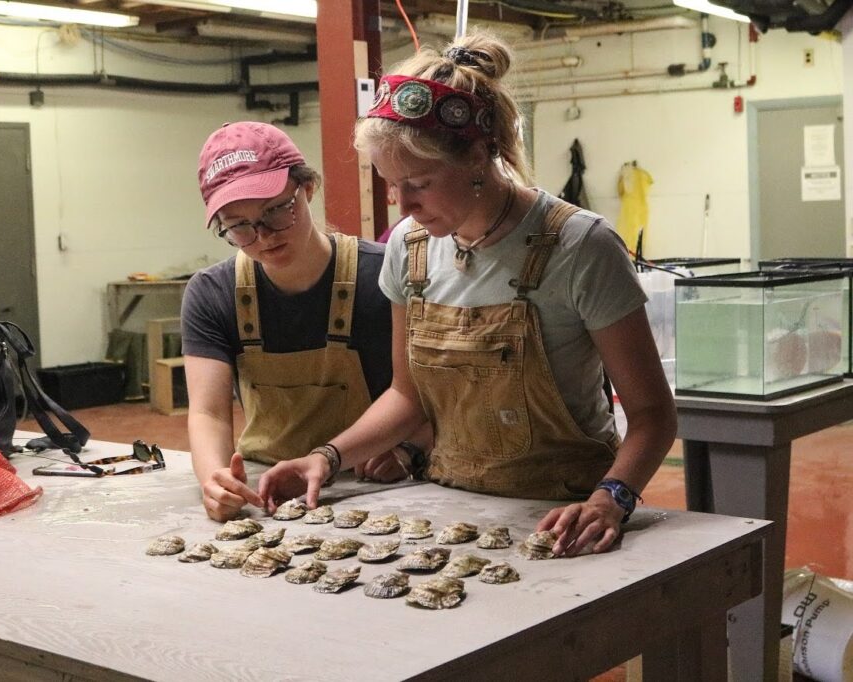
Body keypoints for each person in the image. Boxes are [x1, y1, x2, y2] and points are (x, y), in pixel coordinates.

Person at [255, 33, 677, 557]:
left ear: (480, 155)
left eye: (419, 183)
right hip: (451, 507)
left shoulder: (579, 247)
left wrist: (612, 497)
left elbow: (653, 413)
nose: (403, 204)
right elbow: (407, 398)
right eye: (390, 184)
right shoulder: (408, 251)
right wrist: (328, 457)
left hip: (562, 512)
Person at [182, 121, 428, 522]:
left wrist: (409, 448)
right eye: (238, 225)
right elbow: (207, 413)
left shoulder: (382, 278)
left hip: (371, 488)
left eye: (276, 211)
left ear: (307, 188)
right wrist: (215, 479)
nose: (263, 236)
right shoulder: (212, 294)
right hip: (269, 491)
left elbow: (426, 395)